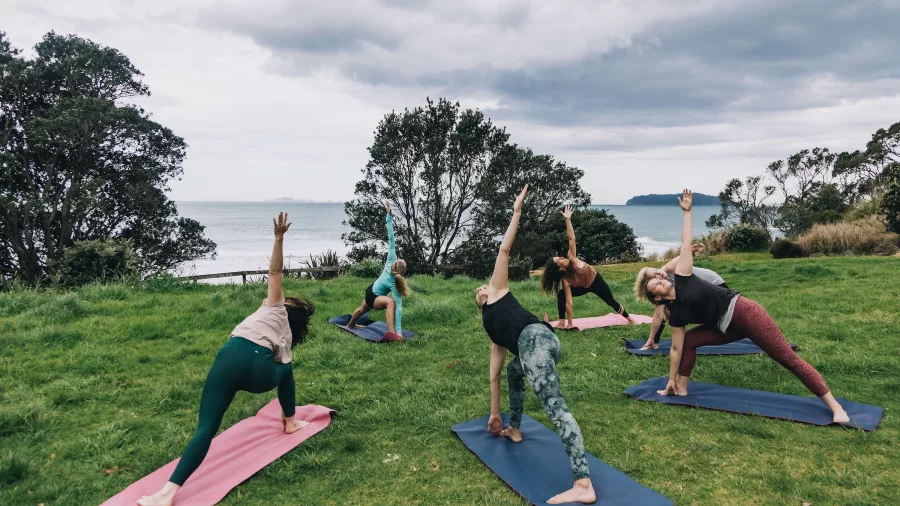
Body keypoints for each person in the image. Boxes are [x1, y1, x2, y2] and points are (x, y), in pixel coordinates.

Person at [138, 213, 316, 506]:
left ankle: (166, 493)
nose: (285, 297)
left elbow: (274, 273)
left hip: (228, 356)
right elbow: (281, 365)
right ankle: (291, 422)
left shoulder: (275, 306)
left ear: (287, 306)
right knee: (286, 370)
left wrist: (279, 238)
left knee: (206, 428)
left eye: (288, 299)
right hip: (258, 369)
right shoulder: (286, 337)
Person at [634, 190, 849, 424]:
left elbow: (686, 244)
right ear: (657, 298)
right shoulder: (676, 314)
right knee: (689, 341)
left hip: (746, 313)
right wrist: (671, 378)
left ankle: (835, 407)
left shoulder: (684, 276)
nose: (661, 279)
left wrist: (688, 212)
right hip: (725, 327)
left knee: (787, 358)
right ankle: (681, 388)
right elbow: (675, 349)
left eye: (659, 277)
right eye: (655, 283)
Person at [476, 187, 596, 505]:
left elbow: (504, 250)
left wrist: (517, 212)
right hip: (539, 347)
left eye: (484, 284)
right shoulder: (493, 332)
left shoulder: (498, 291)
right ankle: (514, 428)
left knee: (556, 409)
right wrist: (494, 416)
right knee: (515, 373)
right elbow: (494, 378)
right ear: (478, 303)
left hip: (537, 341)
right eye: (478, 289)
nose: (482, 287)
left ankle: (583, 483)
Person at [540, 205, 633, 329]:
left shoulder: (572, 257)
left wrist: (568, 220)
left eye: (560, 256)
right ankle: (562, 322)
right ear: (559, 268)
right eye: (560, 260)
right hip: (583, 287)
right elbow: (569, 303)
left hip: (595, 281)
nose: (562, 257)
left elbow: (571, 239)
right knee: (562, 294)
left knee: (610, 301)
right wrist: (570, 324)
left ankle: (630, 320)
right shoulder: (566, 280)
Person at [635, 248, 728, 350]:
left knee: (728, 316)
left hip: (715, 284)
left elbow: (684, 257)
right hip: (704, 293)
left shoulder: (669, 269)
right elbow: (658, 316)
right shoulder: (662, 287)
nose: (659, 273)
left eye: (656, 269)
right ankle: (654, 342)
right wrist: (653, 339)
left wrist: (692, 251)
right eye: (655, 275)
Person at [347, 200, 409, 341]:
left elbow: (391, 238)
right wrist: (389, 216)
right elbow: (391, 236)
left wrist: (389, 217)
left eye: (403, 262)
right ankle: (392, 333)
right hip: (373, 296)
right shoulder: (394, 272)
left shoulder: (392, 264)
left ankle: (351, 324)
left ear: (399, 266)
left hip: (371, 292)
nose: (403, 259)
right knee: (391, 302)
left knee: (363, 309)